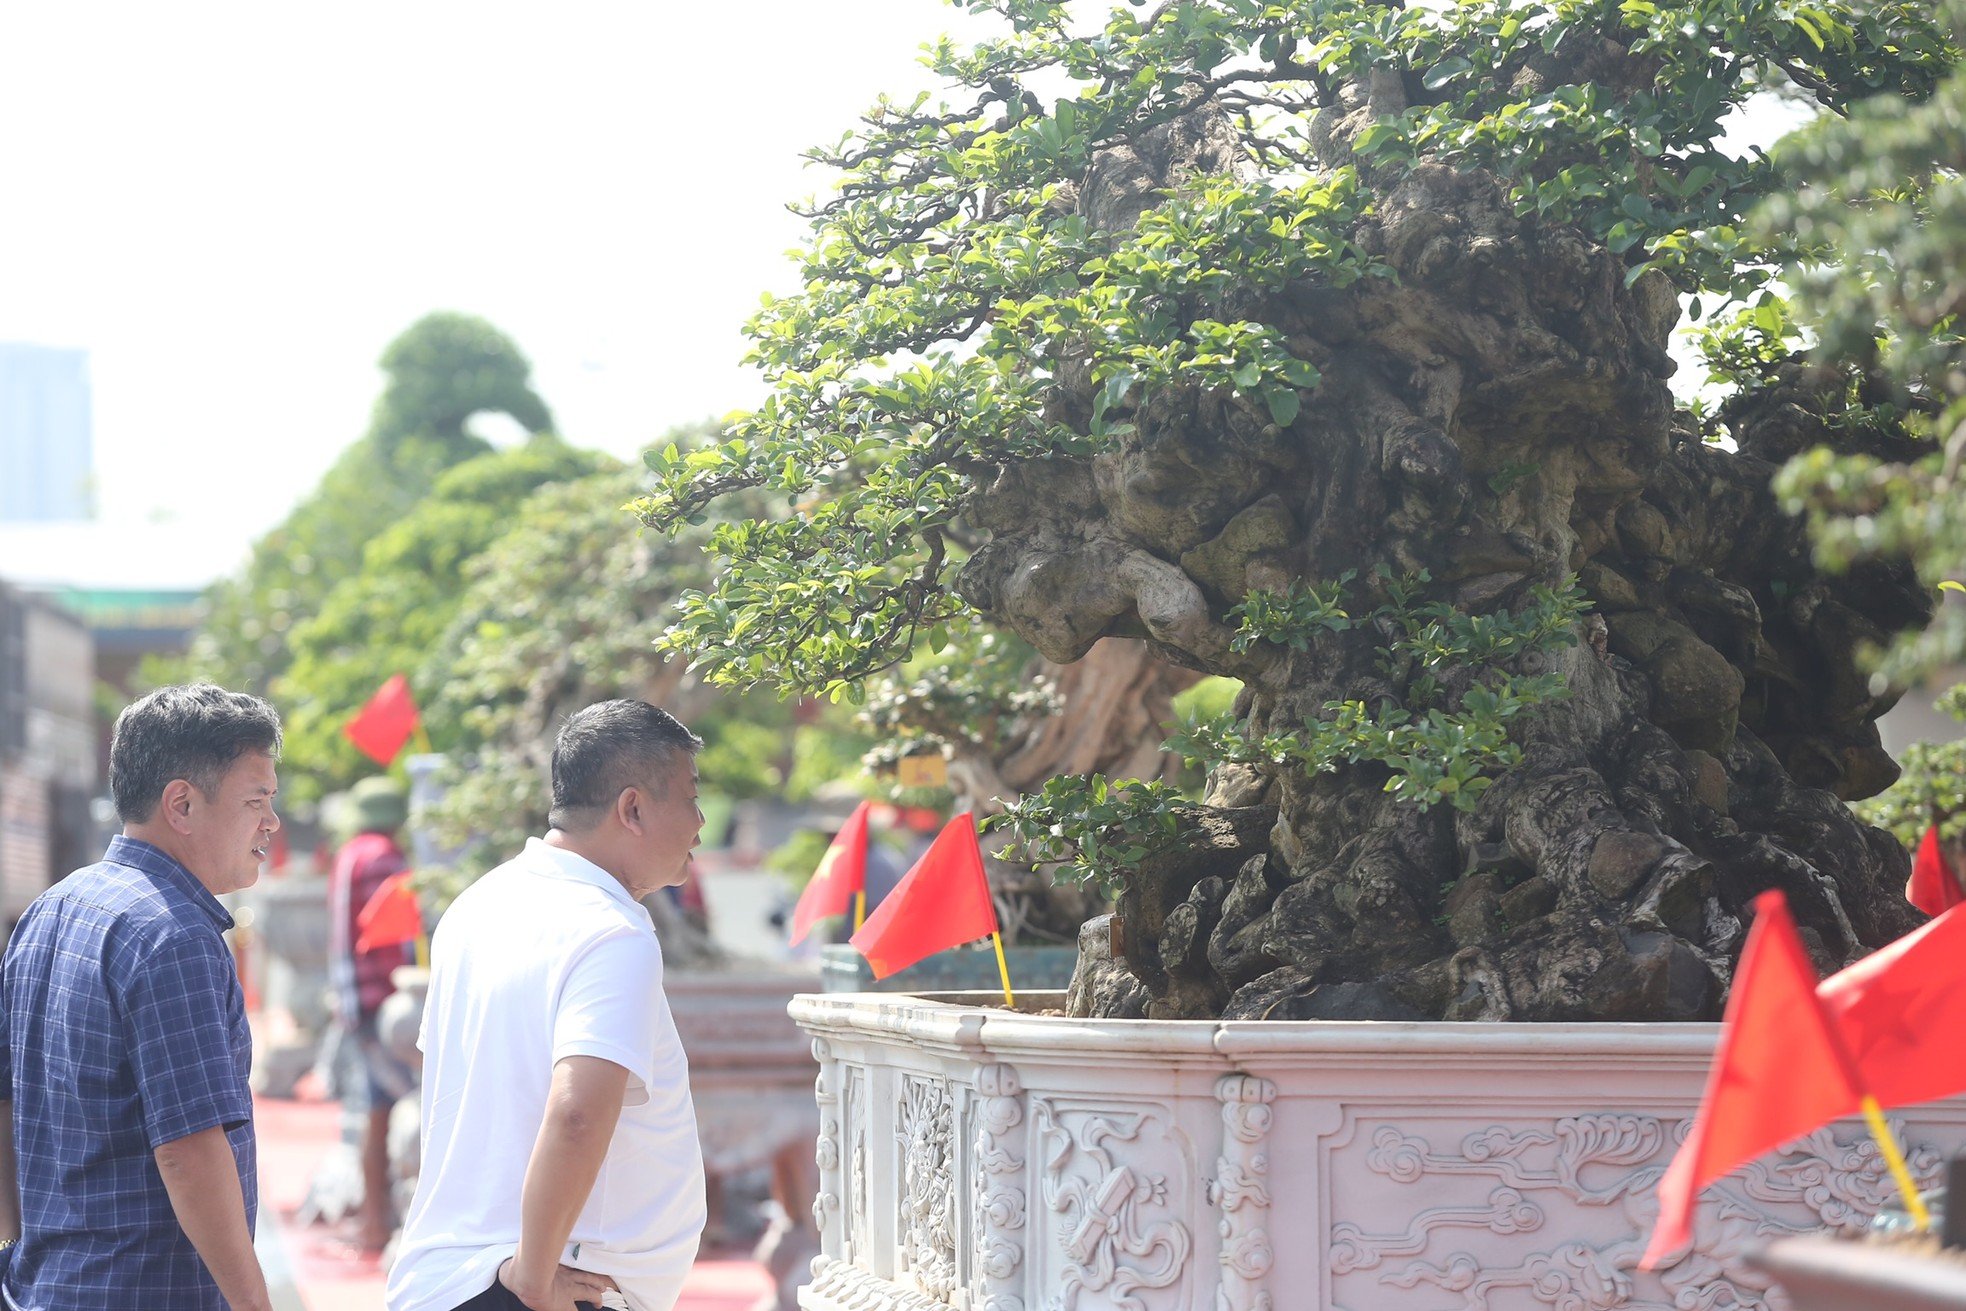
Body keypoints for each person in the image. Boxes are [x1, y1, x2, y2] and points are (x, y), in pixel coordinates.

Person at [388, 700, 708, 1311]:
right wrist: (534, 1276)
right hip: (543, 1287)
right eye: (691, 797)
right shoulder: (611, 929)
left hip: (457, 1280)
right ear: (633, 808)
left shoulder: (474, 905)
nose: (699, 822)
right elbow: (577, 1114)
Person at [0, 683, 282, 1311]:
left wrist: (23, 1249)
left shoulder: (52, 907)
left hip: (44, 1286)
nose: (272, 822)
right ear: (181, 802)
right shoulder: (174, 934)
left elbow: (6, 1106)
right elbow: (191, 1151)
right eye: (256, 800)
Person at [327, 775, 419, 1251]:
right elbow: (395, 941)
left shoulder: (350, 853)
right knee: (398, 1107)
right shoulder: (384, 856)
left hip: (354, 998)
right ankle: (380, 1225)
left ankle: (373, 1225)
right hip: (383, 1002)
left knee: (375, 1110)